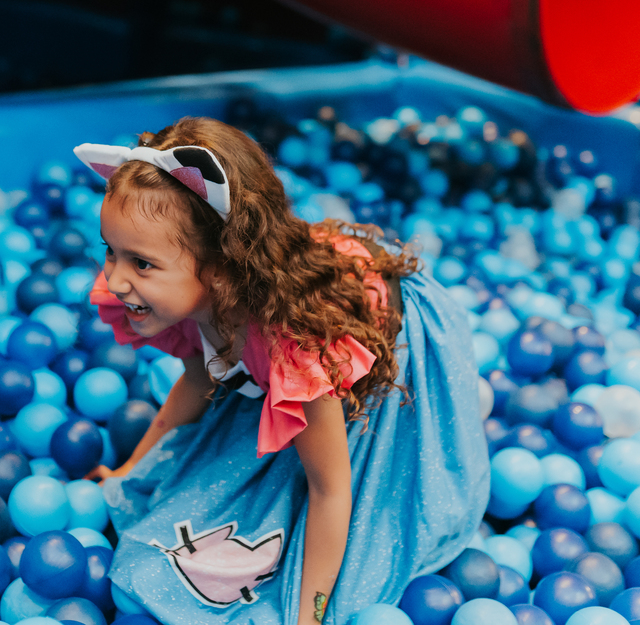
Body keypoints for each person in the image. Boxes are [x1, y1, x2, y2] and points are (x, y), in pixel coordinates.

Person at [74, 117, 490, 625]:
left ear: (221, 269)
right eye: (110, 252)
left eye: (141, 264)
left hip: (387, 340)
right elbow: (199, 380)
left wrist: (308, 615)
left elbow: (332, 488)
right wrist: (128, 474)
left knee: (329, 485)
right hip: (281, 308)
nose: (115, 280)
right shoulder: (198, 299)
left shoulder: (298, 349)